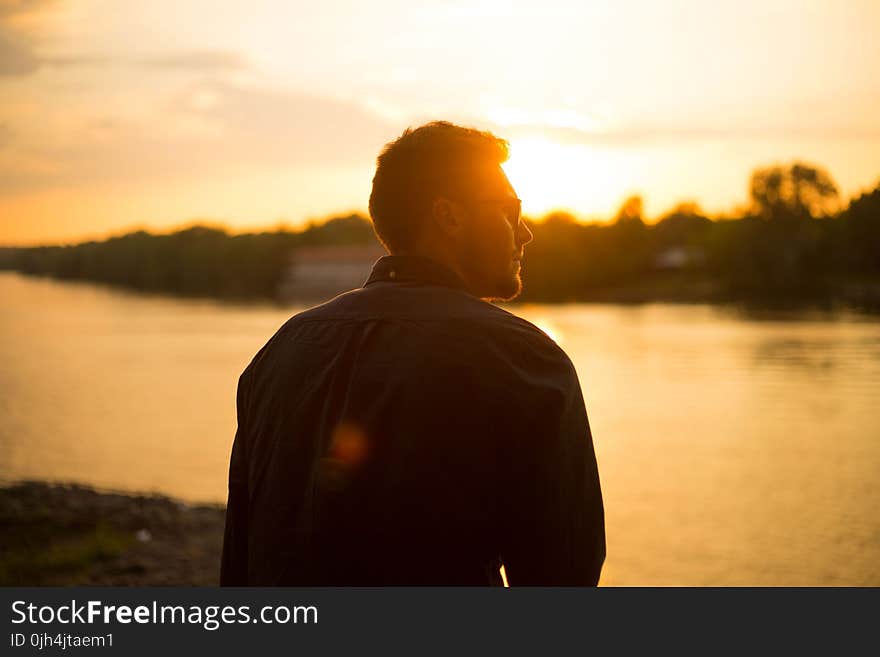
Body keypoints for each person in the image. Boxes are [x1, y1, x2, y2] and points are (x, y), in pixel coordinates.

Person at [220, 121, 605, 585]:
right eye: (509, 210)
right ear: (449, 216)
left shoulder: (278, 353)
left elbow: (240, 556)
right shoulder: (523, 361)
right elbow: (562, 574)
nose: (525, 234)